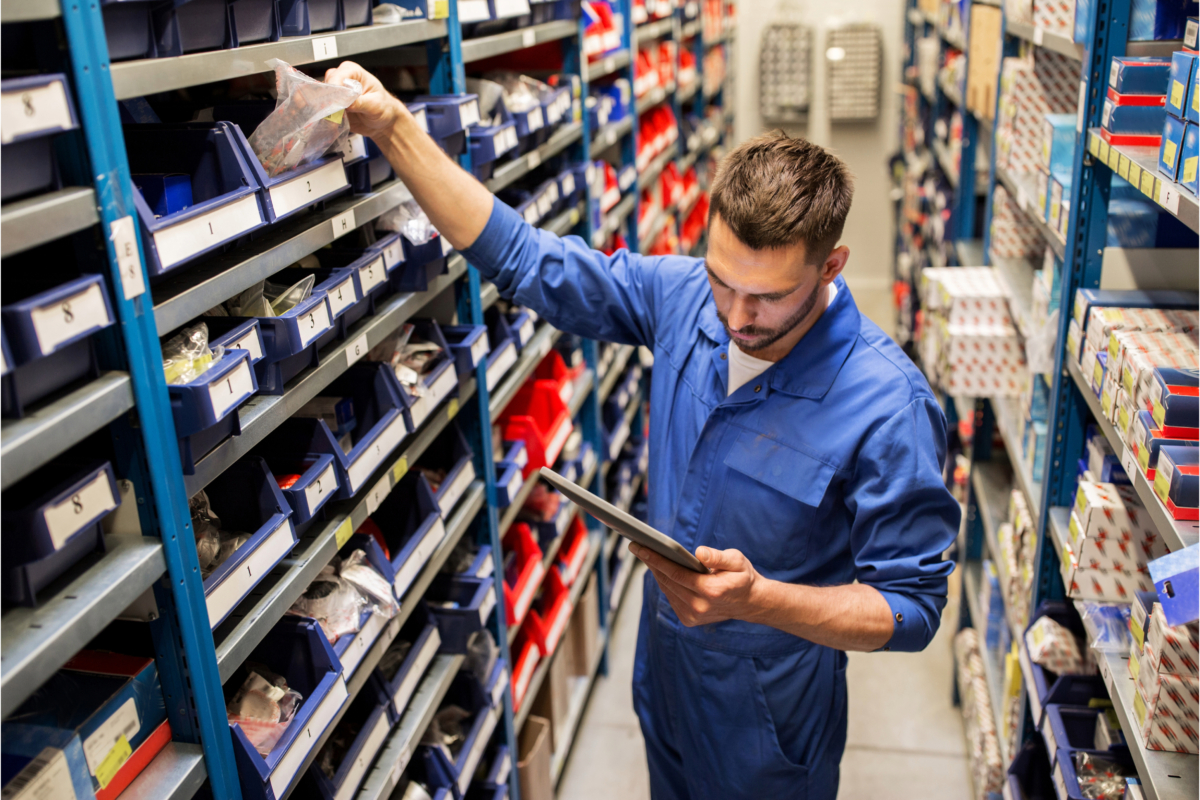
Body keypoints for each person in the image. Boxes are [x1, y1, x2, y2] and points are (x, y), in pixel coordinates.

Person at [324, 61, 960, 800]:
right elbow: (526, 259)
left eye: (767, 297)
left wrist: (762, 601)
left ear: (831, 268)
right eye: (723, 280)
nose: (734, 317)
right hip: (664, 671)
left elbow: (912, 607)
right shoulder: (684, 296)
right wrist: (396, 128)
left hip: (768, 717)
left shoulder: (888, 405)